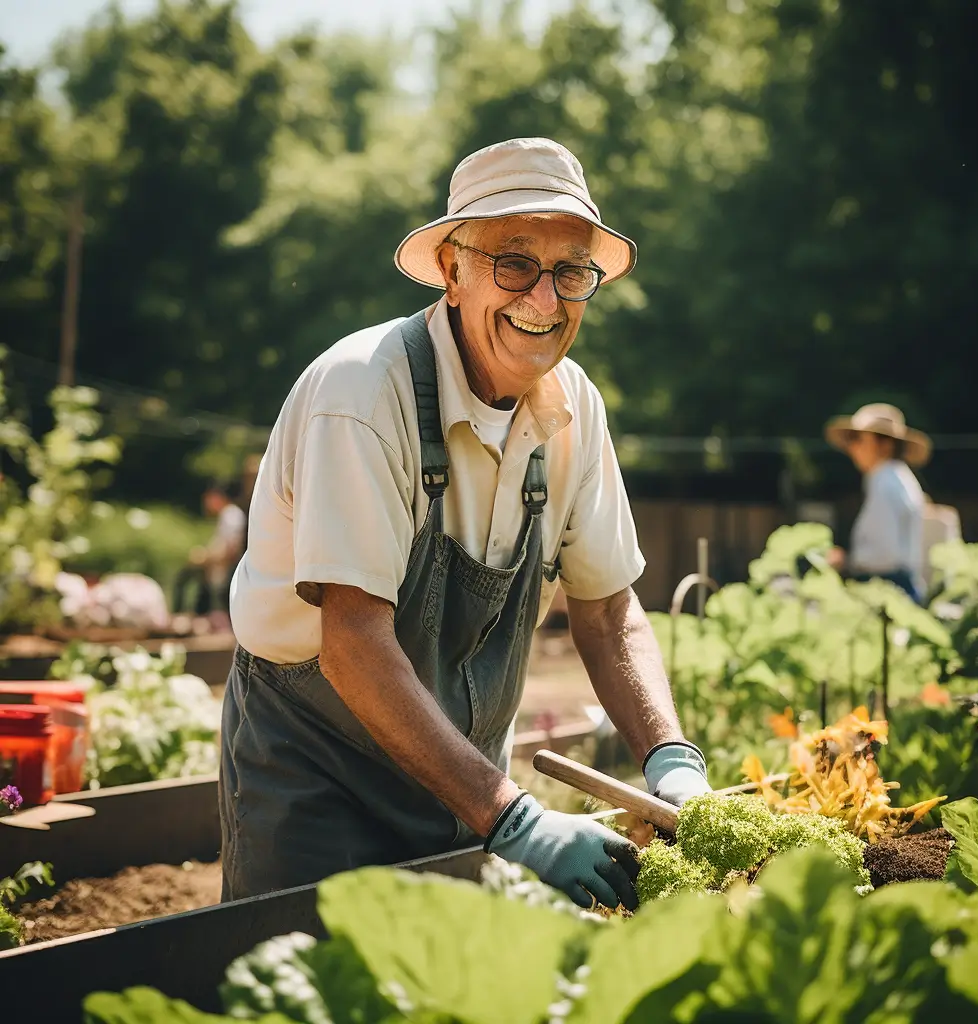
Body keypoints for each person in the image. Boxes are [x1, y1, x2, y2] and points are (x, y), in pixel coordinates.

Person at [222, 137, 710, 910]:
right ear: (453, 271)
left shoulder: (575, 407)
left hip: (460, 775)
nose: (545, 301)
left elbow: (611, 616)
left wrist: (673, 760)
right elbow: (353, 643)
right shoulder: (364, 392)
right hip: (318, 771)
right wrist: (516, 818)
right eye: (514, 263)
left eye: (572, 271)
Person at [824, 403, 931, 602]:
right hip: (901, 588)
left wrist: (847, 561)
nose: (852, 447)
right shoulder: (895, 477)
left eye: (858, 438)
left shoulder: (885, 482)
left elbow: (884, 555)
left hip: (889, 592)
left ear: (885, 444)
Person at [173, 483, 247, 619]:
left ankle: (181, 614)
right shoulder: (227, 515)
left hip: (227, 567)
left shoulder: (231, 515)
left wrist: (205, 558)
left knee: (185, 577)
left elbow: (229, 550)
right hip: (218, 565)